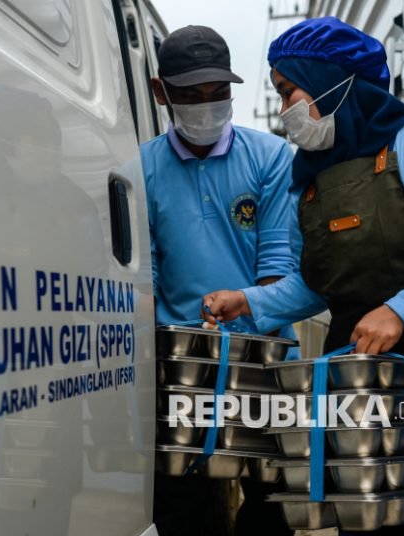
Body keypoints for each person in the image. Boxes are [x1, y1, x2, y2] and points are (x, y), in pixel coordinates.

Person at [203, 17, 404, 536]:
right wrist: (248, 302)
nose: (285, 109)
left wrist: (401, 311)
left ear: (330, 78)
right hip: (365, 382)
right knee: (374, 513)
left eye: (289, 91)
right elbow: (322, 282)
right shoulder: (309, 176)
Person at [142, 25, 297, 536]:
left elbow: (278, 264)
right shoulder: (141, 169)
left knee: (271, 506)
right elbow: (148, 273)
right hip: (180, 365)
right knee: (182, 503)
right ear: (160, 91)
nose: (207, 108)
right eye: (190, 96)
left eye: (217, 95)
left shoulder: (271, 158)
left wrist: (249, 309)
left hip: (263, 358)